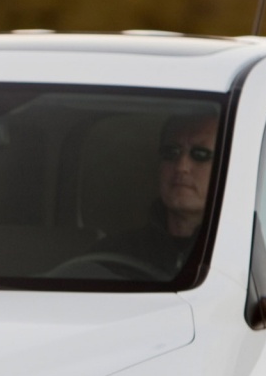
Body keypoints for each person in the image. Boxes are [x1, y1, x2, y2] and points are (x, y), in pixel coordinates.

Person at [93, 110, 219, 276]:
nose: (182, 167)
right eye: (171, 152)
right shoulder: (112, 255)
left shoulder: (243, 253)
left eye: (200, 155)